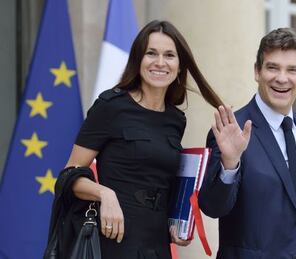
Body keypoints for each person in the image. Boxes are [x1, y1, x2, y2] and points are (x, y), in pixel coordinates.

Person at [61, 20, 223, 259]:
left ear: (179, 67)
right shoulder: (111, 106)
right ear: (138, 60)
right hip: (114, 242)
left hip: (157, 245)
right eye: (151, 53)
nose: (160, 62)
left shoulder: (176, 120)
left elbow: (160, 182)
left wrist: (175, 222)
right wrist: (105, 194)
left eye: (169, 55)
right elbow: (68, 176)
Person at [199, 28, 296, 259]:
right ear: (257, 71)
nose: (282, 78)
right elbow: (212, 207)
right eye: (272, 67)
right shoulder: (232, 129)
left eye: (293, 70)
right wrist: (229, 164)